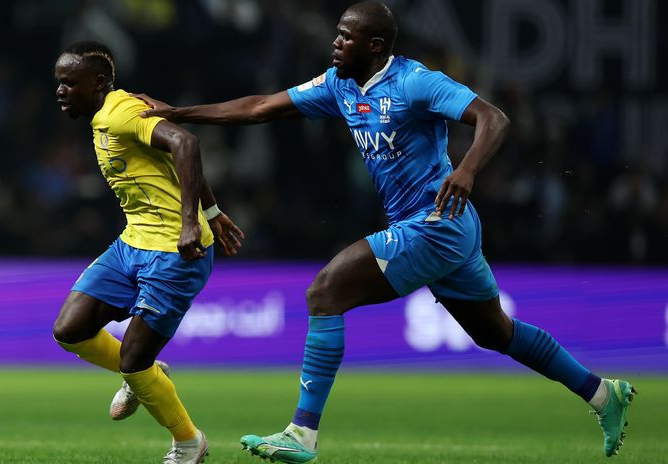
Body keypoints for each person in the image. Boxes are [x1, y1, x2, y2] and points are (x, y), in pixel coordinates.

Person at [132, 2, 636, 462]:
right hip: (438, 228)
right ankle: (600, 393)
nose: (335, 43)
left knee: (325, 290)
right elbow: (262, 107)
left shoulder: (416, 82)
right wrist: (179, 113)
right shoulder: (339, 84)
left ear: (374, 46)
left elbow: (493, 118)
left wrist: (467, 169)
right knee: (495, 333)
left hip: (437, 222)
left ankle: (302, 432)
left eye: (346, 37)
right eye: (337, 34)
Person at [50, 40, 244, 464]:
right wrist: (211, 209)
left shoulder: (121, 112)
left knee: (135, 359)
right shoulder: (104, 116)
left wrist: (194, 221)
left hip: (177, 253)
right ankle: (142, 377)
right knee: (70, 329)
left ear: (99, 83)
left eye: (70, 83)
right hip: (132, 244)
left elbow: (186, 144)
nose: (61, 91)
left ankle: (189, 442)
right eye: (58, 83)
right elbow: (176, 161)